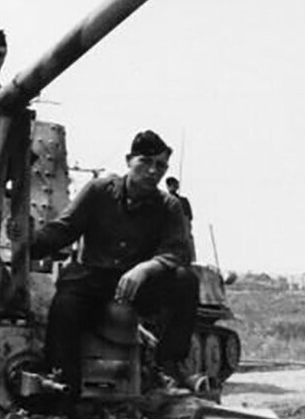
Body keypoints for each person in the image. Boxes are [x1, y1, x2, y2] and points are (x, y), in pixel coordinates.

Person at [30, 130, 202, 398]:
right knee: (65, 306)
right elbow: (64, 229)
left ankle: (168, 366)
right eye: (145, 162)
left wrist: (146, 268)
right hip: (94, 280)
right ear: (128, 160)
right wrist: (25, 244)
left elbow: (178, 251)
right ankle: (64, 387)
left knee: (186, 281)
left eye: (160, 166)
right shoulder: (99, 191)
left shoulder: (168, 206)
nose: (152, 171)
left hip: (139, 286)